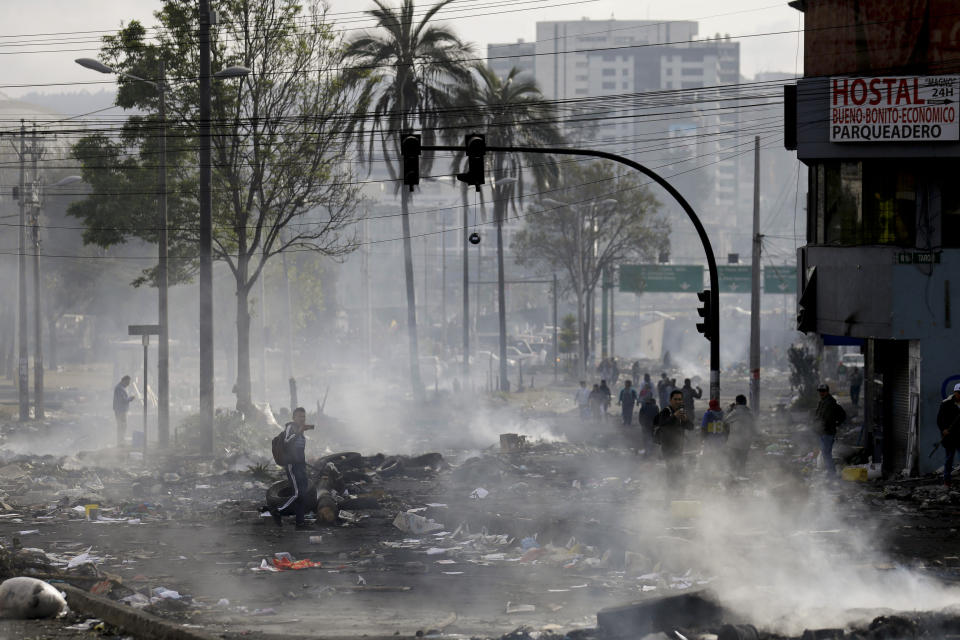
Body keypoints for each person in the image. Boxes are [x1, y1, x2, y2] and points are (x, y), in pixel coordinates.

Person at [269, 407, 315, 529]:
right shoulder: (291, 427)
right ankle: (278, 511)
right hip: (292, 466)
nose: (302, 419)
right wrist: (299, 431)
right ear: (294, 418)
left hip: (300, 465)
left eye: (304, 417)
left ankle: (300, 523)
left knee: (303, 494)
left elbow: (299, 450)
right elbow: (287, 441)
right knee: (297, 494)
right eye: (300, 416)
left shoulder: (300, 430)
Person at [654, 389, 693, 494]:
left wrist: (685, 420)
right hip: (668, 447)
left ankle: (679, 492)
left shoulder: (681, 412)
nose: (678, 401)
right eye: (675, 399)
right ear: (670, 400)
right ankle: (671, 493)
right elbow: (663, 424)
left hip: (679, 447)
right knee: (672, 470)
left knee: (679, 470)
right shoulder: (666, 411)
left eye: (680, 399)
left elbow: (691, 427)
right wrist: (674, 416)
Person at [814, 383, 846, 476]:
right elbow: (818, 416)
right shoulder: (822, 402)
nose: (821, 393)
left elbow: (842, 415)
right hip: (823, 432)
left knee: (826, 454)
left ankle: (831, 474)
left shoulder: (831, 403)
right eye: (820, 391)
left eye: (823, 391)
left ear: (827, 391)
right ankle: (831, 473)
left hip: (828, 432)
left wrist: (836, 423)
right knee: (825, 454)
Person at [724, 394, 757, 478]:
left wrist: (730, 409)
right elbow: (753, 428)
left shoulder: (735, 412)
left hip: (734, 443)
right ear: (745, 402)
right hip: (746, 442)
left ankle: (733, 480)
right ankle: (741, 478)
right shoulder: (749, 413)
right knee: (742, 462)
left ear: (737, 402)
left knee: (733, 463)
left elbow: (725, 420)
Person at [937, 383, 960, 487]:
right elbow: (939, 419)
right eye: (959, 393)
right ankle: (947, 481)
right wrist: (944, 429)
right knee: (949, 458)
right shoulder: (946, 404)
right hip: (950, 436)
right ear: (955, 392)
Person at [112, 375, 136, 447]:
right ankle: (121, 442)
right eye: (127, 382)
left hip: (120, 410)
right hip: (121, 411)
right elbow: (124, 400)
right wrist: (131, 398)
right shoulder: (120, 388)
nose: (128, 384)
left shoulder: (120, 388)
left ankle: (121, 442)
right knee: (122, 426)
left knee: (122, 426)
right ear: (124, 381)